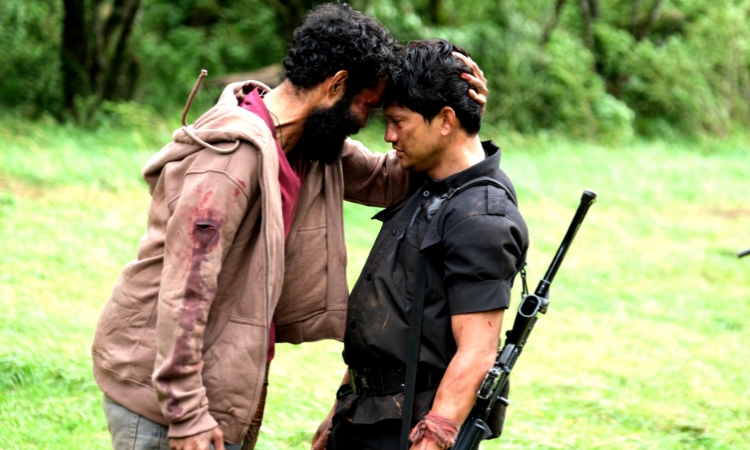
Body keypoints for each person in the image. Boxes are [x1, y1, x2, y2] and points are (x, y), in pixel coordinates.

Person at [91, 4, 489, 450]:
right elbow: (185, 291)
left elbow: (391, 178)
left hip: (222, 383)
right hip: (162, 397)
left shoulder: (310, 145)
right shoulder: (230, 159)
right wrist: (185, 414)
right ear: (336, 84)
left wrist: (458, 122)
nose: (367, 122)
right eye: (366, 104)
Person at [311, 39, 529, 450]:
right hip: (365, 416)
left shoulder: (482, 217)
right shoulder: (427, 182)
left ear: (445, 120)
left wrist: (434, 436)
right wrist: (340, 409)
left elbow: (478, 352)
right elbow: (392, 322)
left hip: (408, 428)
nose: (389, 136)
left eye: (399, 122)